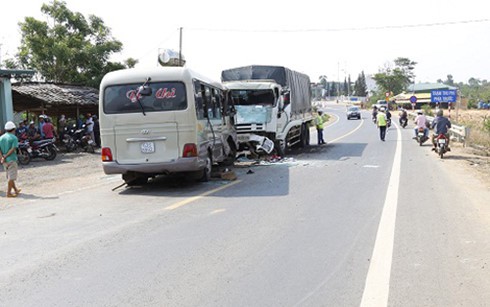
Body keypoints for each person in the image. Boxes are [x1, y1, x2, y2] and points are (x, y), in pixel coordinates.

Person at [0, 121, 21, 197]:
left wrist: (2, 157)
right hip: (11, 159)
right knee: (11, 177)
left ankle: (15, 189)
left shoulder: (1, 138)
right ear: (13, 129)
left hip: (4, 161)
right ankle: (8, 193)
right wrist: (5, 156)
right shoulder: (14, 138)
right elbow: (12, 149)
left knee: (9, 175)